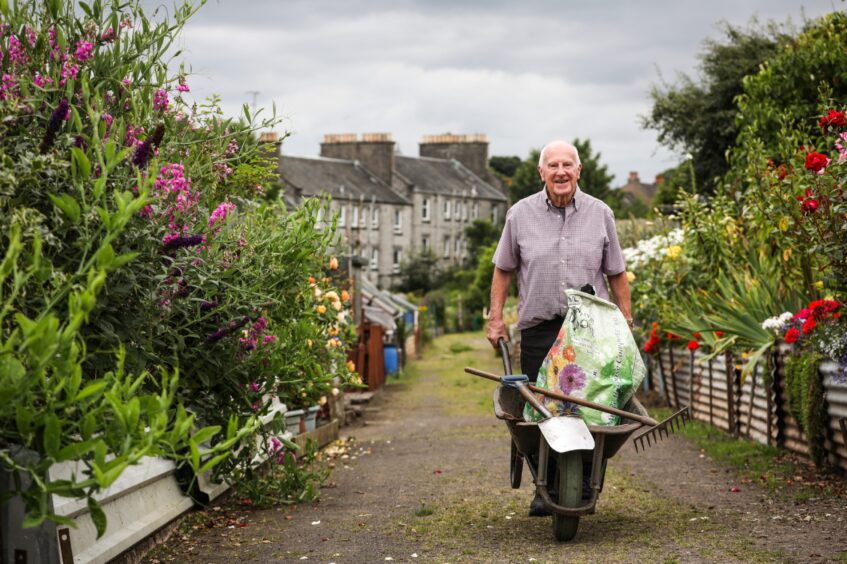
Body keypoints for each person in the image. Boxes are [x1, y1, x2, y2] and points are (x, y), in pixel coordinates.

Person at [487, 140, 632, 516]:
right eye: (553, 165)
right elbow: (503, 269)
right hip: (538, 329)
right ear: (542, 173)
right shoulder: (519, 215)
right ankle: (545, 486)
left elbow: (616, 272)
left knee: (590, 410)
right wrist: (496, 317)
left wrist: (626, 321)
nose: (561, 172)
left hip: (589, 332)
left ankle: (583, 483)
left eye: (568, 164)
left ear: (578, 171)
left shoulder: (600, 214)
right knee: (540, 411)